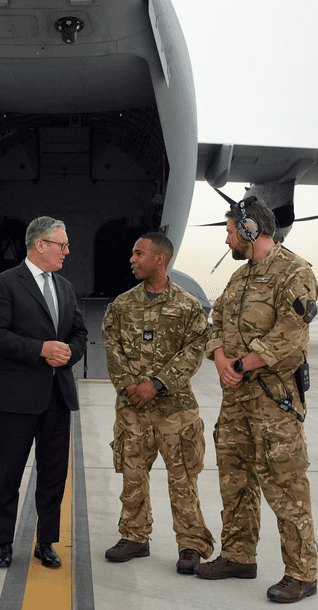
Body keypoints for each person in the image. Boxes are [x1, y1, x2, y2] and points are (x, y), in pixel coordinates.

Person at [195, 196, 318, 604]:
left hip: (274, 403)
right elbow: (214, 322)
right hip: (236, 402)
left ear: (251, 230)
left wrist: (242, 364)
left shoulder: (294, 273)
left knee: (286, 488)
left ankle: (302, 574)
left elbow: (289, 338)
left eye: (231, 231)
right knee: (235, 481)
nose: (228, 238)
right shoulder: (239, 279)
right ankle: (237, 556)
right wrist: (219, 359)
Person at [101, 232, 214, 574]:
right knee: (132, 476)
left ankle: (191, 544)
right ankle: (134, 537)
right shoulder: (121, 306)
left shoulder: (188, 307)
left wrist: (158, 384)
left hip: (175, 411)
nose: (132, 259)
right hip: (132, 408)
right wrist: (131, 385)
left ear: (159, 259)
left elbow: (195, 350)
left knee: (183, 479)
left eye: (139, 253)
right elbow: (111, 347)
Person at [0, 216, 88, 569]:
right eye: (62, 245)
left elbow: (78, 333)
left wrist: (70, 352)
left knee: (54, 473)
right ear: (40, 245)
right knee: (8, 471)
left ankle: (46, 542)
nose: (67, 252)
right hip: (15, 395)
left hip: (57, 395)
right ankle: (3, 541)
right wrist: (41, 349)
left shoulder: (66, 288)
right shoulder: (5, 283)